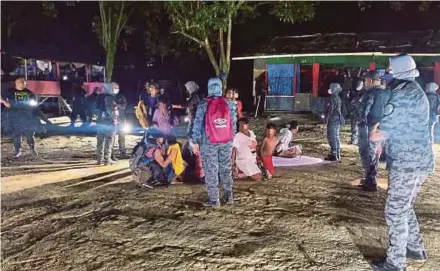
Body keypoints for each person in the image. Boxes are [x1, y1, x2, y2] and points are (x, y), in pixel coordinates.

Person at [370, 54, 434, 271]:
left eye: (389, 69)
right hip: (419, 160)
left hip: (408, 161)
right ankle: (415, 248)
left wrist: (374, 131)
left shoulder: (403, 94)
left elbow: (380, 133)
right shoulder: (415, 90)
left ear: (397, 72)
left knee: (395, 211)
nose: (387, 72)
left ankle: (395, 264)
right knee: (405, 207)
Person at [190, 77, 237, 208]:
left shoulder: (203, 104)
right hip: (226, 141)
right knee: (225, 168)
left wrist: (195, 141)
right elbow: (233, 123)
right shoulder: (229, 103)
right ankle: (229, 196)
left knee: (211, 170)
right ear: (221, 87)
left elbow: (197, 124)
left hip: (208, 142)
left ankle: (214, 199)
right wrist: (231, 138)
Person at [357, 71, 391, 192]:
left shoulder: (370, 93)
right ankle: (371, 177)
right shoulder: (387, 93)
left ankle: (370, 181)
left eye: (365, 81)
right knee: (376, 152)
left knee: (367, 152)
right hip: (383, 127)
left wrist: (361, 121)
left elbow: (364, 110)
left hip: (369, 127)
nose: (365, 83)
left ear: (371, 81)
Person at [1, 77, 41, 158]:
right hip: (14, 116)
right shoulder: (9, 91)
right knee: (17, 134)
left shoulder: (29, 92)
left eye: (23, 82)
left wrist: (33, 107)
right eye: (20, 82)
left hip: (27, 116)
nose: (22, 84)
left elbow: (35, 102)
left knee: (30, 133)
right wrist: (4, 102)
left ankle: (32, 149)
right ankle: (17, 151)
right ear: (16, 83)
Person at [96, 82, 119, 165]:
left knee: (100, 141)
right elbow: (112, 111)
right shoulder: (110, 98)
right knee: (109, 141)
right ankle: (107, 160)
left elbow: (96, 109)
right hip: (109, 123)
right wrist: (115, 119)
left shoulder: (99, 97)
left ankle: (99, 159)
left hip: (99, 122)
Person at [324, 83, 345, 162]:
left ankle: (334, 154)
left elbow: (330, 110)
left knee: (332, 136)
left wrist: (326, 120)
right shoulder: (338, 98)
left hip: (333, 119)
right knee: (336, 136)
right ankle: (337, 154)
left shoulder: (332, 98)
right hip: (337, 119)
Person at [111, 84, 128, 160]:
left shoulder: (121, 96)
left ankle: (123, 152)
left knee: (122, 137)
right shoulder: (109, 97)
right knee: (112, 137)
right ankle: (110, 153)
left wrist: (116, 105)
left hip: (121, 120)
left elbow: (124, 106)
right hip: (112, 120)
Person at [348, 80, 364, 145]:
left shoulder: (364, 93)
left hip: (360, 113)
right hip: (354, 113)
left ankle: (358, 141)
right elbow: (350, 101)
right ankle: (354, 140)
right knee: (354, 127)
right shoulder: (353, 91)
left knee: (360, 128)